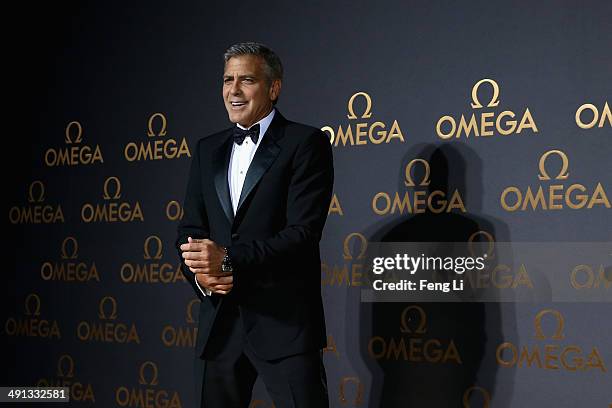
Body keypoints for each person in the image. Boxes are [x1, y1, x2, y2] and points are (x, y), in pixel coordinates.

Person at [176, 42, 333, 408]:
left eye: (246, 80)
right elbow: (189, 231)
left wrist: (227, 261)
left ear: (273, 88)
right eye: (228, 80)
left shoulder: (306, 143)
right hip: (219, 325)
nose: (233, 90)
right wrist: (202, 276)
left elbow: (302, 235)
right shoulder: (206, 149)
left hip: (284, 324)